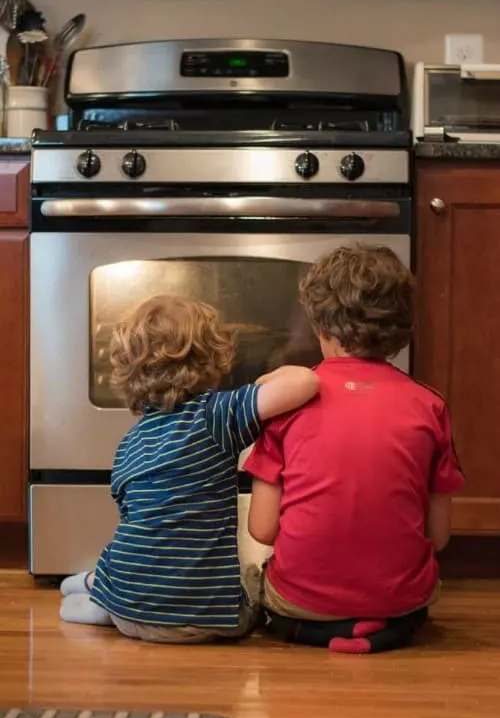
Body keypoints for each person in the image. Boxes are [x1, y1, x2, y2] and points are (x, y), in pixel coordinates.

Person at [59, 295, 319, 643]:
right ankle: (102, 589)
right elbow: (305, 382)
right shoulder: (216, 415)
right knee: (254, 584)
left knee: (138, 551)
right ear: (212, 356)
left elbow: (139, 523)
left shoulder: (129, 444)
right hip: (210, 619)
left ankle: (98, 589)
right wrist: (263, 381)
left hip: (131, 613)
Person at [244, 245, 465, 654]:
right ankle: (378, 628)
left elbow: (262, 529)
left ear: (320, 326)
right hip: (399, 601)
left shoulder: (286, 403)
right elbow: (438, 536)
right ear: (401, 327)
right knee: (415, 598)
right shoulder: (430, 406)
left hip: (301, 602)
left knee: (255, 585)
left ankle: (321, 631)